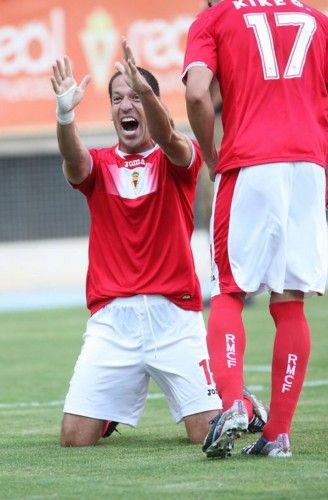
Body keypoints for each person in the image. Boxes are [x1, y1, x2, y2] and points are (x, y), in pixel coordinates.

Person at [183, 0, 328, 458]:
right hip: (307, 169)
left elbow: (198, 93)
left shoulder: (215, 15)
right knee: (290, 303)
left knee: (228, 291)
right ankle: (278, 434)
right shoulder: (319, 20)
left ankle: (234, 400)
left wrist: (213, 154)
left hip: (250, 164)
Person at [50, 38, 223, 447]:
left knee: (206, 436)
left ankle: (240, 403)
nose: (126, 105)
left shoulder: (179, 158)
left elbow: (170, 139)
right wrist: (64, 114)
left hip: (175, 318)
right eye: (117, 99)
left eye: (136, 97)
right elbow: (74, 162)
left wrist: (147, 93)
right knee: (74, 440)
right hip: (112, 322)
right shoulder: (100, 164)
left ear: (153, 104)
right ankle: (107, 414)